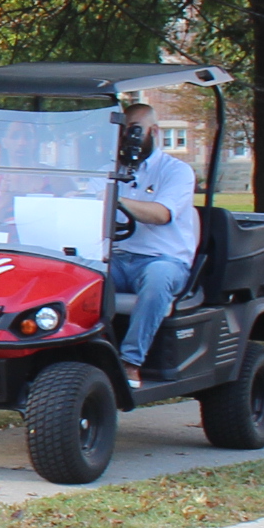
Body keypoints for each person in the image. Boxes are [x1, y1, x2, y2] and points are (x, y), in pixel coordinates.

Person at [107, 101, 199, 388]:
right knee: (82, 276)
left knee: (157, 279)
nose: (127, 139)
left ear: (153, 131)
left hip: (164, 259)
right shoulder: (110, 168)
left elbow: (161, 214)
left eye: (134, 131)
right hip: (118, 258)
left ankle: (130, 362)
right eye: (122, 131)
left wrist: (115, 198)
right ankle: (87, 354)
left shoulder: (176, 171)